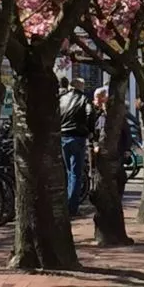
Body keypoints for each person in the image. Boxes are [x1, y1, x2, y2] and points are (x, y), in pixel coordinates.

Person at [60, 75, 94, 217]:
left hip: (62, 136)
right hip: (77, 136)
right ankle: (72, 207)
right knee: (75, 173)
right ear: (81, 87)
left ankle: (66, 203)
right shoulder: (84, 99)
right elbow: (90, 113)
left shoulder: (62, 99)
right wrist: (90, 131)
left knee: (67, 172)